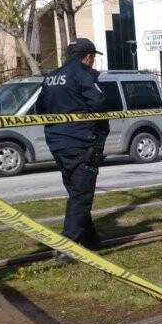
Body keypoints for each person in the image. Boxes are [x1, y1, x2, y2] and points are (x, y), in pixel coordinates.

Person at [34, 38, 109, 255]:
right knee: (82, 195)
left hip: (58, 143)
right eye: (93, 57)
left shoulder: (52, 76)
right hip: (81, 142)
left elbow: (41, 108)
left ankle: (91, 239)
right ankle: (66, 247)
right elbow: (99, 104)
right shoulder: (83, 73)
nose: (93, 62)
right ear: (87, 57)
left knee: (77, 191)